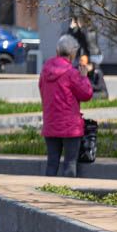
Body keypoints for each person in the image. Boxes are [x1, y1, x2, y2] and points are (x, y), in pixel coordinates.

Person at [39, 34, 94, 178]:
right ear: (72, 53)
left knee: (52, 163)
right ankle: (66, 194)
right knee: (70, 163)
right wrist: (84, 77)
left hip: (50, 124)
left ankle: (47, 194)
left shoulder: (45, 71)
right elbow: (86, 94)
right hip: (70, 127)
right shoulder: (72, 74)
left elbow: (42, 90)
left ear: (57, 51)